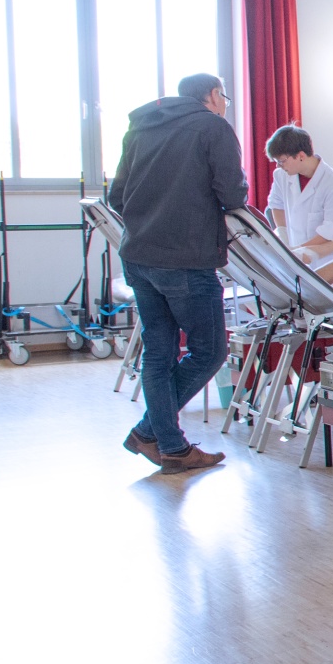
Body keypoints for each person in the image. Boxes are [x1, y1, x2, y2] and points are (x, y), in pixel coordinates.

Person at [107, 72, 245, 475]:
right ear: (213, 96)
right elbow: (233, 195)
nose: (225, 104)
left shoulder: (139, 128)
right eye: (225, 97)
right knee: (210, 352)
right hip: (186, 259)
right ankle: (154, 434)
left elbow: (116, 196)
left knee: (159, 353)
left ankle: (167, 443)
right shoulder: (212, 126)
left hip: (138, 256)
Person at [264, 125, 333, 283]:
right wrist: (284, 236)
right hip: (295, 261)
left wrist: (296, 252)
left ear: (300, 156)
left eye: (282, 161)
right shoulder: (282, 176)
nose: (279, 166)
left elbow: (328, 234)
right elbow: (276, 205)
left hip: (327, 264)